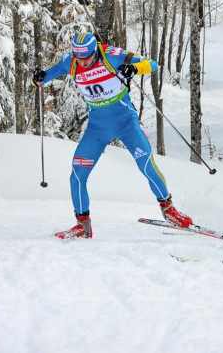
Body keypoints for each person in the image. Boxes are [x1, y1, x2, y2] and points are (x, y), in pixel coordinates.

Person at [32, 32, 191, 239]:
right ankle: (83, 226)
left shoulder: (111, 55)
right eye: (78, 58)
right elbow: (46, 76)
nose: (82, 63)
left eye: (86, 58)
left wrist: (133, 68)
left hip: (126, 123)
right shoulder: (71, 62)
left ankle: (169, 210)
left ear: (95, 51)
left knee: (146, 164)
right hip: (97, 128)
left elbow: (152, 64)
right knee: (77, 174)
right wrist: (40, 78)